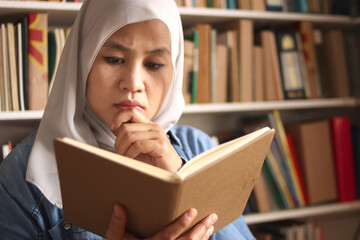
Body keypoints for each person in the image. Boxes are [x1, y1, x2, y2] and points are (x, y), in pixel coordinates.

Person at [0, 0, 256, 239]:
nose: (133, 83)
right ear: (82, 61)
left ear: (175, 70)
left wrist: (180, 177)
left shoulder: (199, 149)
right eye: (114, 59)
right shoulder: (23, 176)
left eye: (154, 64)